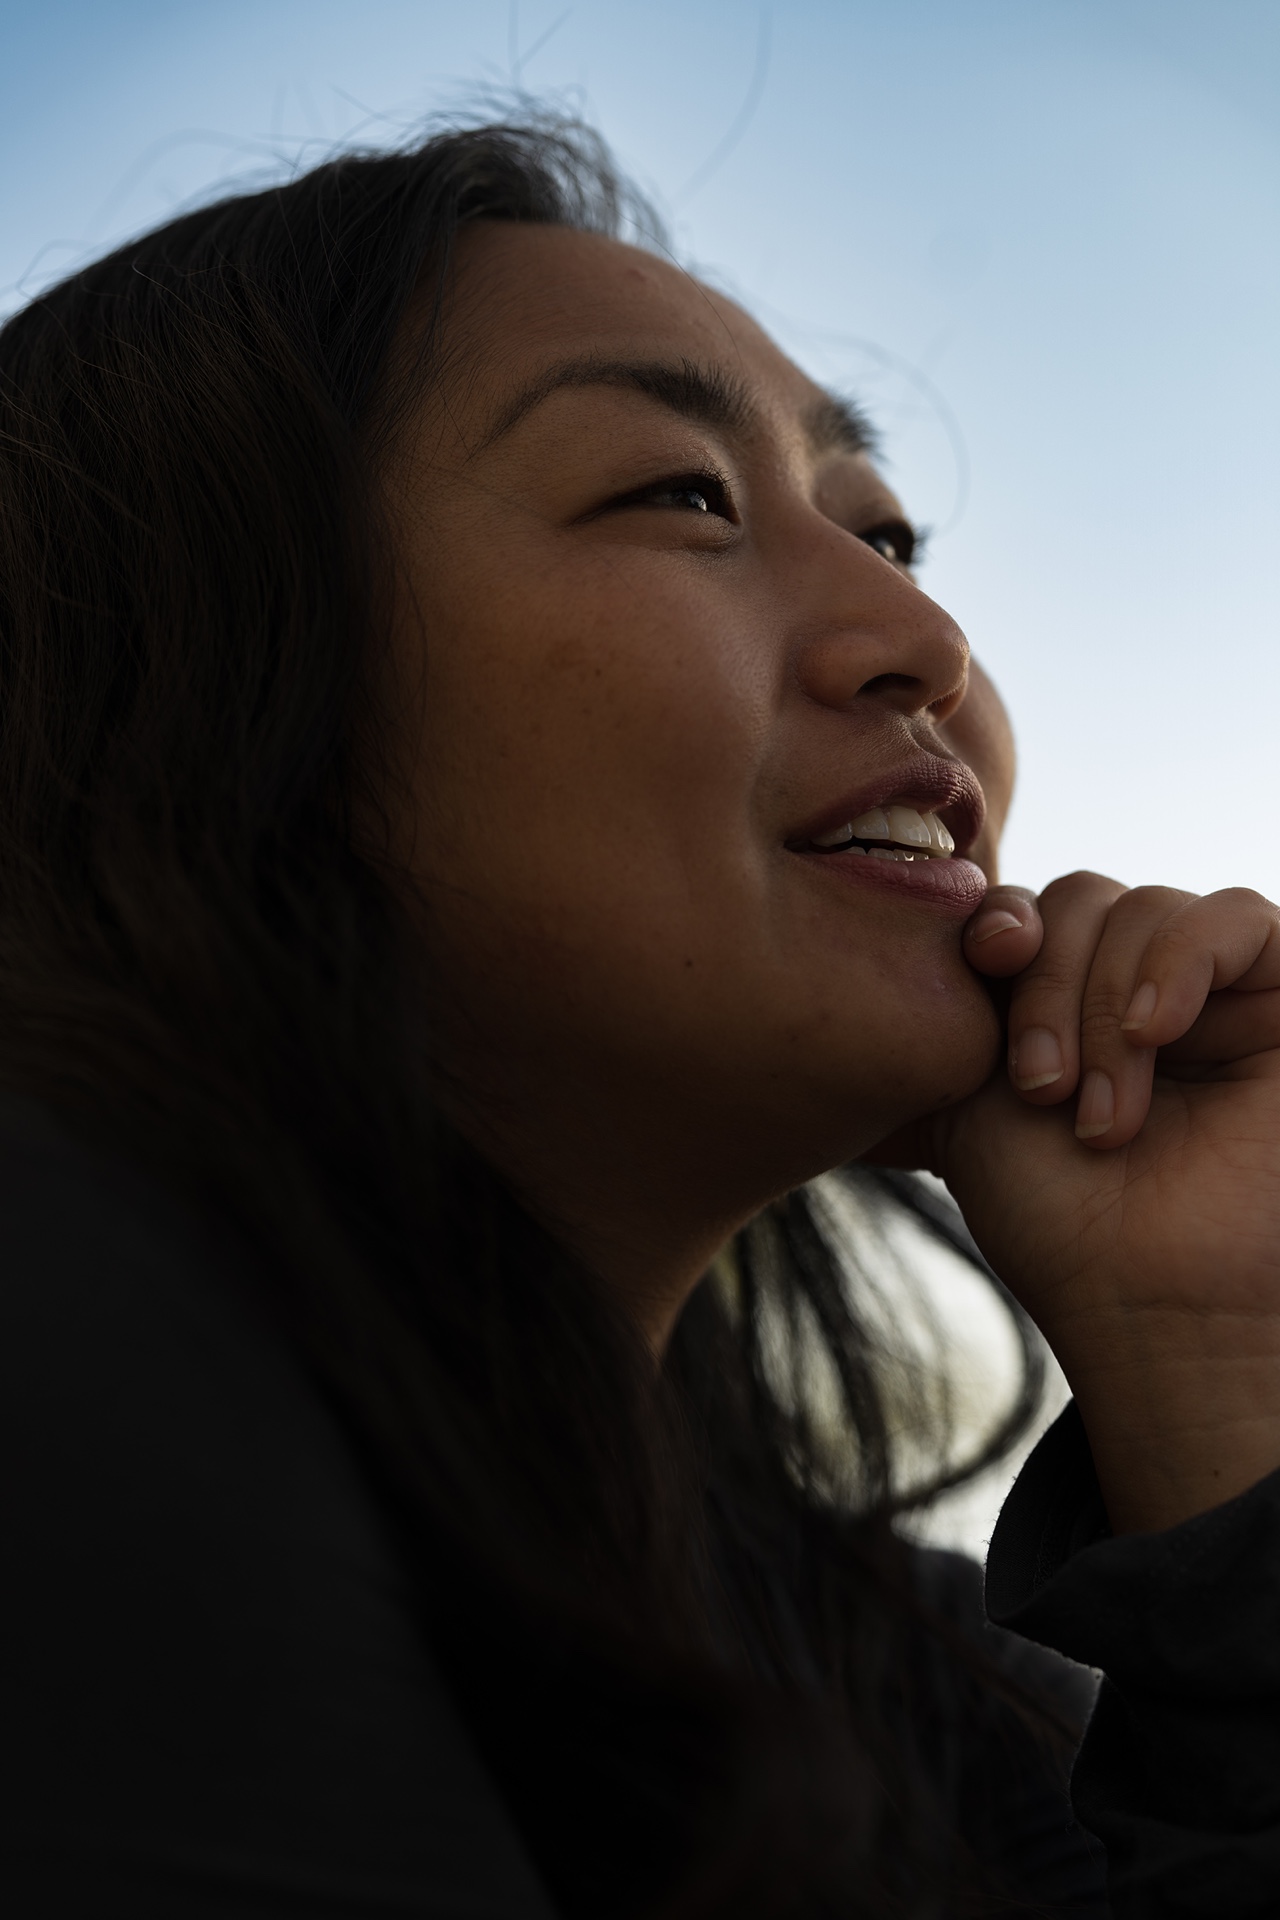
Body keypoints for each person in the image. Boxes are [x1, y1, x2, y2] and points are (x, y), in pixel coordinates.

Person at [2, 115, 1280, 1919]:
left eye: (888, 527)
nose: (922, 632)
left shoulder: (893, 1662)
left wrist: (1214, 1383)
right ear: (209, 681)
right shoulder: (71, 1365)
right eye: (680, 493)